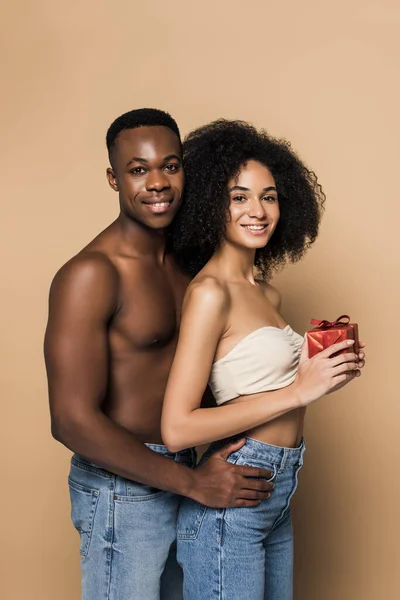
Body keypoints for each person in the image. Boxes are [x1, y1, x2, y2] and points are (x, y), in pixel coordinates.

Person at [43, 109, 276, 600]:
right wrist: (191, 484)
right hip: (120, 490)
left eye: (170, 166)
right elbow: (70, 419)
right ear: (113, 177)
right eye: (138, 169)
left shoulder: (191, 265)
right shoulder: (92, 273)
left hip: (187, 467)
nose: (158, 183)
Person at [161, 119, 366, 600]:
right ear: (212, 203)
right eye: (239, 197)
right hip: (235, 493)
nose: (258, 211)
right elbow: (177, 426)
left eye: (269, 197)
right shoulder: (210, 294)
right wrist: (299, 390)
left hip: (278, 486)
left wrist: (327, 370)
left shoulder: (266, 295)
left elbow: (261, 387)